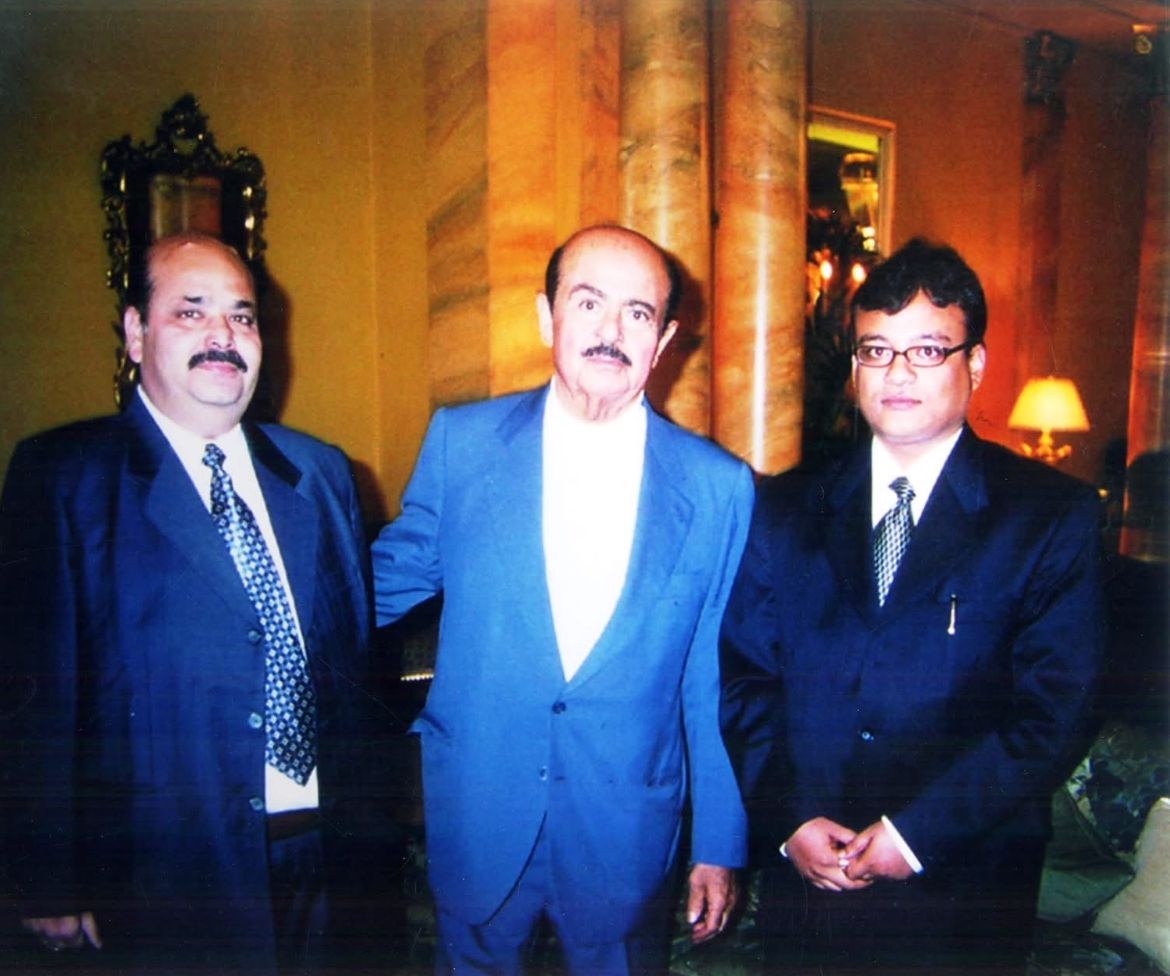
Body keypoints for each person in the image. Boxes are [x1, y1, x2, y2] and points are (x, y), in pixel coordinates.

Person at [371, 225, 753, 975]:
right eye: (588, 302)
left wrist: (718, 841)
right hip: (480, 809)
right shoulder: (462, 445)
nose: (611, 330)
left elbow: (712, 676)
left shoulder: (718, 488)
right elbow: (366, 591)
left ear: (664, 341)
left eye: (638, 313)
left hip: (625, 828)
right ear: (547, 317)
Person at [720, 238, 1104, 975]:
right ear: (854, 368)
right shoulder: (785, 506)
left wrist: (915, 835)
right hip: (810, 895)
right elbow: (744, 679)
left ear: (975, 364)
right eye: (876, 350)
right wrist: (789, 816)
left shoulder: (1049, 515)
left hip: (964, 894)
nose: (897, 373)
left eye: (927, 350)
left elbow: (1054, 712)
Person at [0, 233, 374, 974]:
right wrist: (46, 877)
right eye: (191, 311)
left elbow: (350, 660)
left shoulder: (320, 472)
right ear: (136, 332)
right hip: (160, 880)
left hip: (323, 865)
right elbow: (28, 696)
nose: (223, 336)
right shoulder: (64, 477)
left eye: (242, 316)